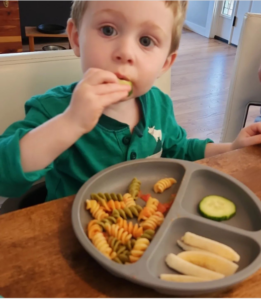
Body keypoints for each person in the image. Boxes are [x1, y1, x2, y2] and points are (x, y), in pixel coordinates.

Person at [1, 1, 261, 202]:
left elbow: (180, 151)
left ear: (165, 63)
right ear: (76, 37)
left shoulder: (159, 105)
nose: (125, 52)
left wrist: (232, 148)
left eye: (146, 41)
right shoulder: (53, 109)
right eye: (108, 30)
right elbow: (5, 177)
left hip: (144, 230)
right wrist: (70, 123)